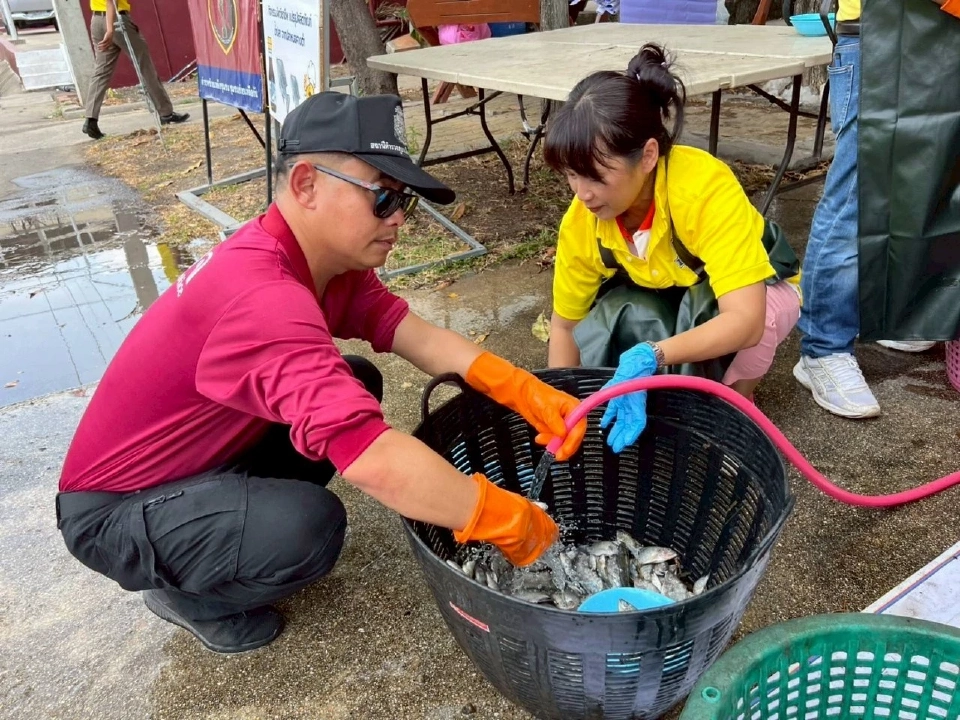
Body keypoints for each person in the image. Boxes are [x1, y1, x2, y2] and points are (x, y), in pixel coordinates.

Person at [56, 92, 586, 654]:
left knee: (354, 379)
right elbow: (373, 461)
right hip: (115, 511)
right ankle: (193, 597)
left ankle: (226, 522)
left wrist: (525, 390)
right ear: (306, 184)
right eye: (382, 196)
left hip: (194, 461)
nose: (399, 217)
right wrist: (504, 517)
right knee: (306, 529)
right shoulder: (262, 297)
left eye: (403, 199)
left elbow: (419, 336)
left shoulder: (315, 261)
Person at [544, 44, 802, 451]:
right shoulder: (582, 220)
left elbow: (746, 320)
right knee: (609, 315)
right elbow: (565, 326)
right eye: (572, 176)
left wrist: (651, 354)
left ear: (647, 155)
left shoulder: (701, 188)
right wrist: (561, 410)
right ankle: (669, 389)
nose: (584, 194)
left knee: (765, 320)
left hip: (751, 292)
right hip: (672, 289)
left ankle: (736, 403)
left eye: (596, 176)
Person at [793, 0, 934, 420]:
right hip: (883, 35)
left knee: (916, 186)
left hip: (936, 37)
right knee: (855, 197)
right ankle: (823, 350)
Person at [82, 0, 189, 140]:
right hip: (116, 19)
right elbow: (110, 2)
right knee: (145, 66)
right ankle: (166, 113)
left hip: (96, 20)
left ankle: (91, 119)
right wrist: (110, 29)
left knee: (101, 72)